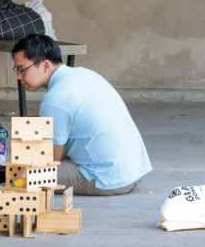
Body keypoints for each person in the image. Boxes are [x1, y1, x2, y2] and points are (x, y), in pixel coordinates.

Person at [13, 34, 151, 195]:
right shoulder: (84, 74)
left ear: (45, 66)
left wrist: (26, 162)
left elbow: (50, 161)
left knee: (21, 176)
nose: (18, 77)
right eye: (17, 70)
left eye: (22, 70)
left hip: (108, 179)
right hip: (134, 170)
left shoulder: (54, 99)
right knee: (35, 144)